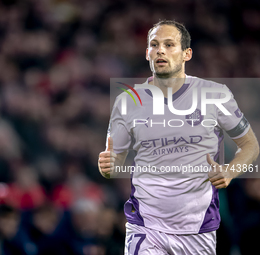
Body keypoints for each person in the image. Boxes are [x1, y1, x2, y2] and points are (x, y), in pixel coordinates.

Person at [98, 20, 259, 255]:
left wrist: (230, 171)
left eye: (169, 44)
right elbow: (114, 164)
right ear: (147, 53)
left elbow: (250, 145)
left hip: (198, 230)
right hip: (146, 226)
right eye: (154, 45)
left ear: (187, 53)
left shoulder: (215, 95)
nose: (160, 50)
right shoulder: (128, 101)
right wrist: (108, 167)